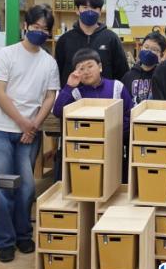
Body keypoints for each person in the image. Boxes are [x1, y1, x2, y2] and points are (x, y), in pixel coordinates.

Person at [0, 5, 60, 263]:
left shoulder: (49, 62)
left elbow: (49, 97)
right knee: (2, 186)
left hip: (30, 132)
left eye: (45, 29)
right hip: (0, 129)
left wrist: (33, 125)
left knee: (27, 187)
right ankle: (5, 241)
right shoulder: (6, 55)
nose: (40, 32)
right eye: (36, 27)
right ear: (25, 26)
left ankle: (23, 235)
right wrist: (23, 123)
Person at [53, 48, 132, 182]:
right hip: (86, 148)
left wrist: (113, 132)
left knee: (113, 181)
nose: (86, 71)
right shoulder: (75, 93)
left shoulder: (117, 87)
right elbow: (58, 111)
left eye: (90, 66)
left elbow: (129, 115)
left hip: (114, 146)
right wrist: (69, 86)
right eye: (81, 69)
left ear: (100, 67)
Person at [55, 0, 129, 87]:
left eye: (94, 8)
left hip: (104, 96)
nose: (89, 11)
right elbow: (58, 74)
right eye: (85, 7)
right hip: (72, 95)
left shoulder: (111, 38)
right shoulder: (64, 40)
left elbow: (122, 73)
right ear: (77, 10)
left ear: (100, 11)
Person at [121, 31, 166, 107]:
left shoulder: (163, 77)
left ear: (161, 55)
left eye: (154, 49)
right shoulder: (128, 76)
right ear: (141, 48)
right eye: (146, 47)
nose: (148, 51)